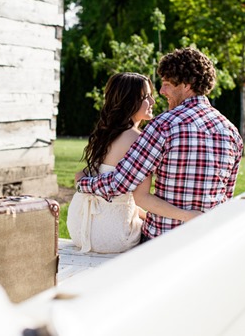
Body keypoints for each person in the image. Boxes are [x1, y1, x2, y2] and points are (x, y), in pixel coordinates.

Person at [76, 47, 244, 242]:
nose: (162, 92)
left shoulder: (163, 125)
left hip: (162, 242)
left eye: (166, 84)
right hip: (209, 239)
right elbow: (226, 197)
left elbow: (120, 182)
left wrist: (83, 183)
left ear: (187, 85)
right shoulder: (231, 132)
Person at [67, 72, 202, 254]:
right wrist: (187, 216)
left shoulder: (106, 134)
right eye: (146, 97)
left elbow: (102, 187)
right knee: (164, 236)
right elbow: (141, 198)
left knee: (149, 221)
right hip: (112, 235)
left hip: (79, 227)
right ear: (128, 101)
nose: (153, 102)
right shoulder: (137, 138)